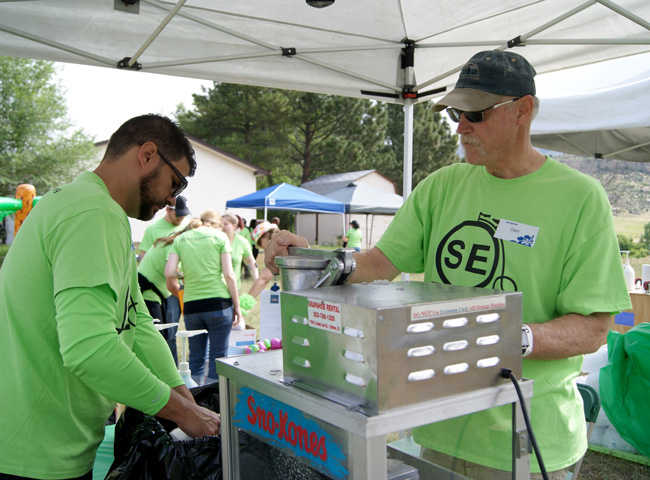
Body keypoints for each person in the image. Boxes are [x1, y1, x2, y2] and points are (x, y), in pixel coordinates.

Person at [263, 50, 631, 479]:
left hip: (529, 438)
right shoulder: (442, 185)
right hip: (439, 429)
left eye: (475, 114)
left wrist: (508, 337)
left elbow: (593, 327)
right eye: (456, 113)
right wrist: (310, 259)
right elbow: (379, 263)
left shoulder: (579, 197)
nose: (461, 127)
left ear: (523, 110)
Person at [0, 114, 220, 480]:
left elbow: (137, 322)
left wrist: (186, 399)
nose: (173, 197)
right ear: (148, 155)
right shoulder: (92, 213)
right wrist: (182, 414)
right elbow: (90, 348)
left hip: (40, 442)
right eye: (176, 182)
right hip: (35, 456)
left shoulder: (87, 205)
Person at [165, 209, 242, 386]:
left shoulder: (181, 238)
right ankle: (215, 400)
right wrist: (237, 306)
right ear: (216, 224)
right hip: (219, 305)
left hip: (192, 306)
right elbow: (229, 274)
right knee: (219, 358)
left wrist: (183, 275)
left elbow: (169, 272)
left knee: (195, 358)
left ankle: (197, 400)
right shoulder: (219, 237)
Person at [136, 194, 191, 364]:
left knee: (169, 334)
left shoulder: (180, 234)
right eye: (178, 215)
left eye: (184, 215)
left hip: (165, 292)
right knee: (158, 338)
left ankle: (169, 370)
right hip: (152, 290)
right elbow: (168, 277)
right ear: (168, 209)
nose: (181, 218)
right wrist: (186, 301)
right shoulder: (159, 233)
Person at [221, 212, 259, 326]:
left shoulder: (241, 241)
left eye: (225, 224)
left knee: (232, 319)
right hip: (216, 286)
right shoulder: (216, 240)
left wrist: (256, 277)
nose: (222, 227)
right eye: (220, 224)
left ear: (234, 225)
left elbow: (251, 261)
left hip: (233, 286)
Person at [248, 221, 279, 298]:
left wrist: (244, 304)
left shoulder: (277, 251)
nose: (261, 246)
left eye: (259, 242)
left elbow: (264, 279)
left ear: (267, 235)